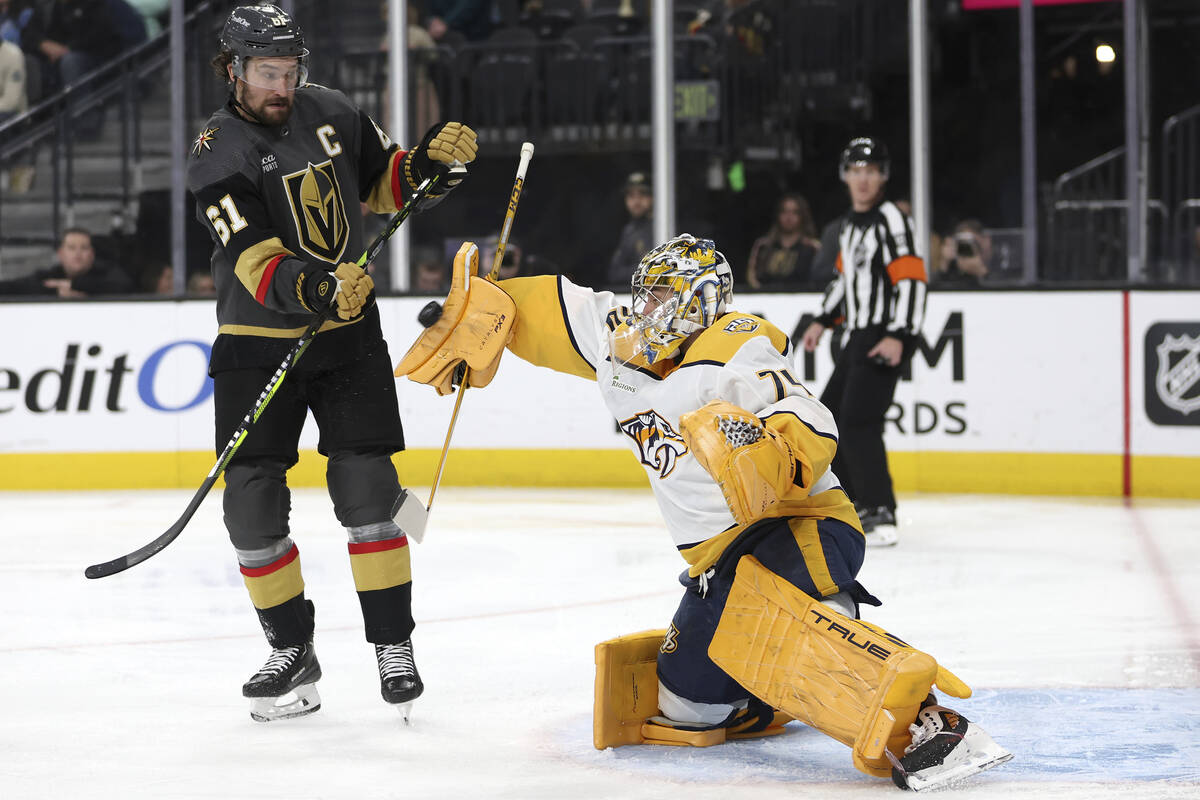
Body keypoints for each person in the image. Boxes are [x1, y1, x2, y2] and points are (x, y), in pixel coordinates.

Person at [397, 233, 1009, 791]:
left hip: (804, 525)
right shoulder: (621, 341)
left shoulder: (737, 353)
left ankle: (931, 721)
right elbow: (554, 308)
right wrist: (476, 311)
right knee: (685, 704)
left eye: (667, 297)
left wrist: (769, 448)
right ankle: (773, 694)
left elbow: (810, 418)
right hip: (718, 558)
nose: (649, 310)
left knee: (769, 605)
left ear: (703, 303)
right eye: (648, 295)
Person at [185, 4, 477, 724]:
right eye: (266, 73)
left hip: (347, 336)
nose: (281, 85)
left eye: (289, 71)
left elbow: (387, 184)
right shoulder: (215, 150)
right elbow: (249, 253)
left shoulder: (334, 111)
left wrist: (433, 167)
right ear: (233, 71)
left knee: (369, 488)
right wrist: (314, 284)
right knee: (250, 504)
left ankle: (392, 645)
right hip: (256, 341)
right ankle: (291, 648)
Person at [800, 137, 927, 547]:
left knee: (859, 421)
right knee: (831, 419)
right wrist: (822, 319)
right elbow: (844, 281)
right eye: (855, 171)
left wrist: (899, 334)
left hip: (884, 334)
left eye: (870, 171)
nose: (862, 179)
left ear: (884, 177)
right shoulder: (851, 226)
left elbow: (911, 278)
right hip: (858, 334)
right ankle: (852, 503)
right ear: (845, 176)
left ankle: (880, 509)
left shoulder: (891, 218)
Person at [0, 226, 135, 296]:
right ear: (61, 253)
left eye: (84, 248)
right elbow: (17, 287)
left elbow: (124, 286)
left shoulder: (107, 273)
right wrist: (55, 291)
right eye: (71, 248)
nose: (78, 253)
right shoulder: (51, 276)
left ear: (92, 254)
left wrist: (74, 285)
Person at [745, 192, 821, 289]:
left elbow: (818, 279)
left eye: (795, 212)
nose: (789, 217)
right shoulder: (763, 245)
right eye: (784, 211)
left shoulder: (813, 247)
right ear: (778, 215)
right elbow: (752, 277)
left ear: (802, 216)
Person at [606, 171, 654, 286]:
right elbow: (614, 273)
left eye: (642, 194)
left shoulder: (664, 227)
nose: (636, 201)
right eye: (631, 196)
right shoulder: (629, 231)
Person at [936, 218, 990, 286]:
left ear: (986, 241)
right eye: (962, 243)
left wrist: (981, 272)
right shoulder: (954, 273)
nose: (966, 248)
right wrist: (944, 264)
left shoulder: (999, 265)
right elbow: (939, 289)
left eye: (971, 241)